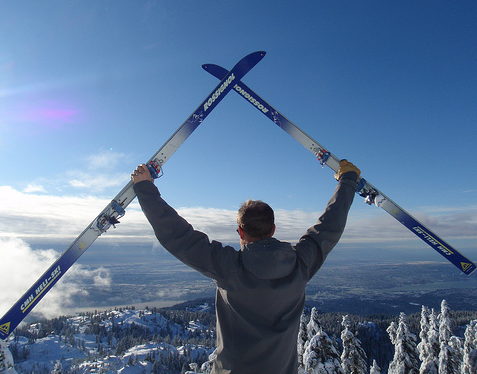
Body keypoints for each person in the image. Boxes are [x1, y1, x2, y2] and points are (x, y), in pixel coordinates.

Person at [131, 160, 360, 374]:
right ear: (273, 229)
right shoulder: (300, 263)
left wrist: (146, 189)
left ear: (240, 232)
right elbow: (330, 225)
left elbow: (180, 237)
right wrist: (347, 180)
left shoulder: (229, 267)